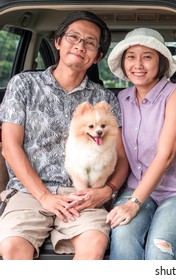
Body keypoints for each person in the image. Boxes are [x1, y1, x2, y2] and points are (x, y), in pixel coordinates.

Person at [0, 11, 129, 260]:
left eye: (90, 43)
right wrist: (44, 197)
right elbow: (10, 146)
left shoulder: (105, 99)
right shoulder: (23, 85)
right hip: (29, 191)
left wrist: (108, 191)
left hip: (83, 194)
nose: (80, 46)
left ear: (98, 57)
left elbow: (121, 157)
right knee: (13, 248)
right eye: (73, 37)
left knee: (94, 243)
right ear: (58, 42)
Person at [105, 28, 176, 260]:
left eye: (147, 56)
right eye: (131, 56)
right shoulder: (121, 99)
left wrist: (134, 203)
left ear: (160, 62)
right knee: (123, 238)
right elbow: (119, 155)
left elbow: (165, 154)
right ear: (124, 62)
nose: (138, 64)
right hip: (137, 187)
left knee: (159, 247)